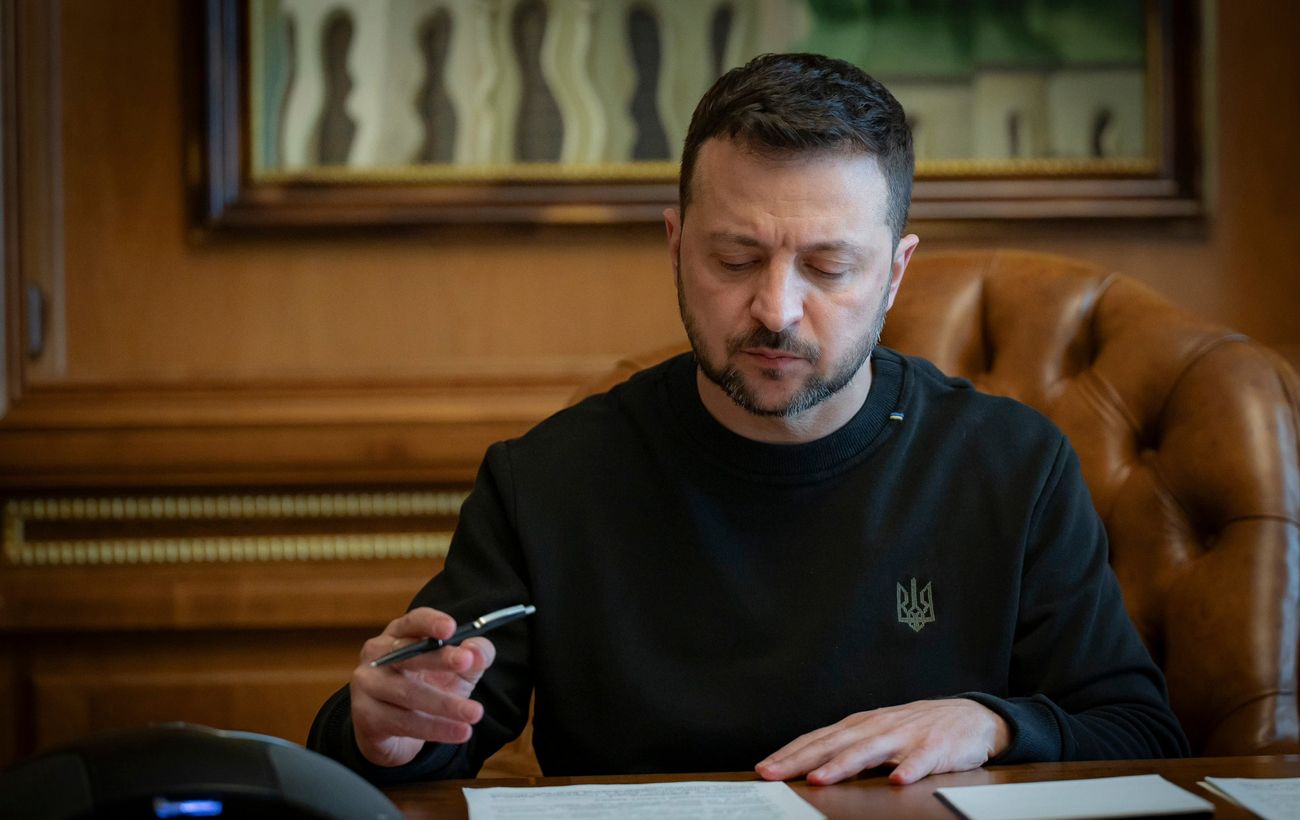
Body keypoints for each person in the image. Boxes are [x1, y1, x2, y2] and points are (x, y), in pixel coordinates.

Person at [308, 53, 1188, 786]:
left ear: (894, 273)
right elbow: (422, 730)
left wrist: (991, 724)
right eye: (735, 258)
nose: (776, 309)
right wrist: (382, 731)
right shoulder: (547, 480)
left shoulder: (1011, 465)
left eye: (828, 267)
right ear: (675, 246)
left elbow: (1143, 735)